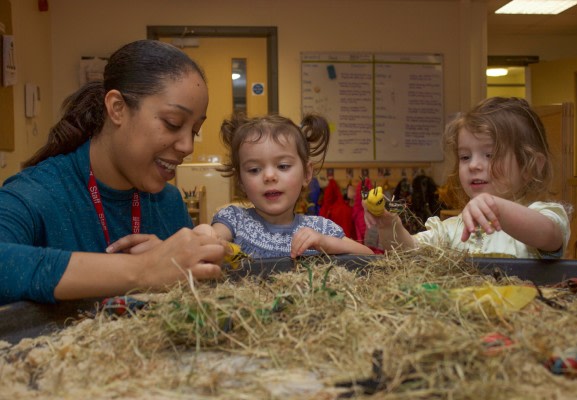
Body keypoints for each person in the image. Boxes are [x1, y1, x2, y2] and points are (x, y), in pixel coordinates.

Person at [0, 40, 226, 305]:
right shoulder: (37, 193)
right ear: (117, 108)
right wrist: (145, 269)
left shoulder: (169, 203)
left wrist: (204, 258)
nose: (187, 146)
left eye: (195, 131)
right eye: (172, 123)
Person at [364, 97, 570, 259]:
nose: (473, 165)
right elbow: (408, 253)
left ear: (530, 166)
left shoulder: (544, 215)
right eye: (465, 157)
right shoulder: (453, 229)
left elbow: (549, 236)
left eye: (490, 155)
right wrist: (389, 224)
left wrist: (495, 208)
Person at [211, 113, 374, 259]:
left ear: (307, 174)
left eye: (283, 166)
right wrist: (210, 240)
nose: (269, 176)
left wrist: (325, 243)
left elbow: (370, 257)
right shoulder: (234, 220)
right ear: (240, 180)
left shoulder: (320, 228)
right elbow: (212, 239)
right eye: (254, 169)